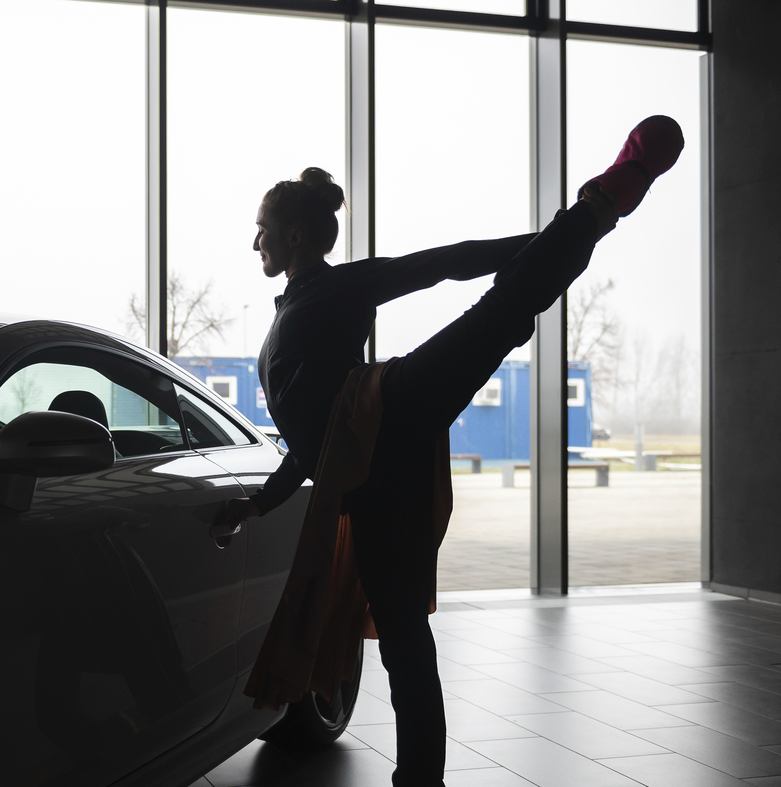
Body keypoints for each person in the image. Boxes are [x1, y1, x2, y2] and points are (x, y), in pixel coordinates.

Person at [219, 116, 685, 786]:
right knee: (403, 641)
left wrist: (556, 239)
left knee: (502, 311)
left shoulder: (336, 287)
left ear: (293, 235)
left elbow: (446, 262)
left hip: (392, 407)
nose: (253, 241)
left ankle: (604, 201)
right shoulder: (284, 313)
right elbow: (314, 441)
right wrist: (259, 503)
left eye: (261, 228)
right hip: (372, 487)